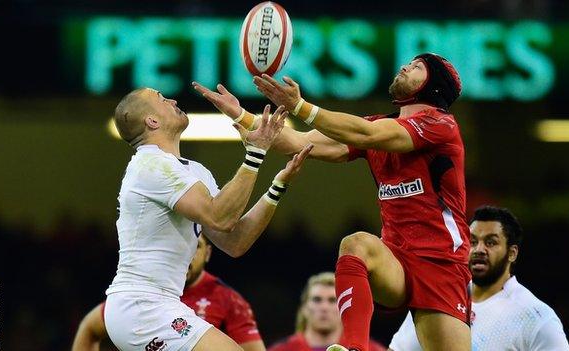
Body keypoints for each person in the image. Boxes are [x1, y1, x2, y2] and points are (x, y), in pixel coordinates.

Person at [193, 52, 470, 351]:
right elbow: (297, 143)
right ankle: (353, 348)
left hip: (441, 263)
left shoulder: (440, 125)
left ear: (434, 87)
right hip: (396, 260)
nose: (404, 66)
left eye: (417, 68)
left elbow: (368, 133)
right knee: (356, 244)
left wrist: (299, 106)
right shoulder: (377, 128)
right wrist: (240, 114)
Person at [104, 87, 312, 351]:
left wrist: (276, 187)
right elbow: (219, 216)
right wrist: (255, 153)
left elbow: (234, 240)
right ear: (152, 121)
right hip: (141, 305)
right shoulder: (150, 165)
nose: (173, 100)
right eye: (161, 98)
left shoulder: (193, 171)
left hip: (158, 304)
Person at [388, 206, 569, 351]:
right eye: (473, 242)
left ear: (512, 253)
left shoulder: (536, 317)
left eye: (490, 242)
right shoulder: (438, 296)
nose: (479, 250)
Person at [72, 235, 266, 351]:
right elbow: (89, 327)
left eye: (196, 246)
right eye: (181, 246)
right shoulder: (145, 292)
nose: (187, 253)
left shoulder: (229, 300)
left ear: (207, 253)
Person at [268, 272, 385, 351]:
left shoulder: (369, 349)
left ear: (344, 308)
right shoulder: (281, 349)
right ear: (304, 308)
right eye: (317, 300)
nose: (324, 307)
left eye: (332, 300)